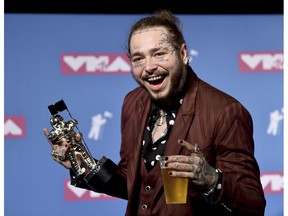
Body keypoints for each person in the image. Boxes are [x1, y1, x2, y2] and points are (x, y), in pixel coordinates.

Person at [44, 10, 266, 215]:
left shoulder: (225, 112)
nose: (148, 67)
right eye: (138, 58)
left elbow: (253, 205)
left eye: (159, 54)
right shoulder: (133, 102)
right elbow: (134, 186)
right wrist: (81, 163)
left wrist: (211, 180)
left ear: (183, 54)